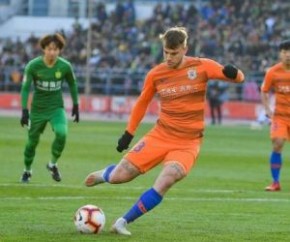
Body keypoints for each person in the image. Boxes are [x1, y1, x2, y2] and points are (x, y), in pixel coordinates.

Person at [84, 26, 244, 235]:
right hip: (161, 135)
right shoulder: (156, 74)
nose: (169, 57)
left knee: (168, 177)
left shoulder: (202, 66)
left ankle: (122, 222)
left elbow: (239, 77)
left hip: (188, 142)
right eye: (166, 52)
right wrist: (128, 133)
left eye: (174, 53)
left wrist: (234, 73)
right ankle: (106, 174)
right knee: (119, 177)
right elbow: (142, 103)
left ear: (185, 48)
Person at [20, 33, 79, 183]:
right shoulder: (33, 66)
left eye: (56, 49)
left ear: (59, 50)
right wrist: (24, 111)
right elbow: (25, 88)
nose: (52, 52)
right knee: (31, 143)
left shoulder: (65, 66)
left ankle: (52, 164)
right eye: (49, 49)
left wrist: (76, 104)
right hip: (37, 110)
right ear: (44, 49)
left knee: (62, 133)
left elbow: (72, 84)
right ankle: (27, 171)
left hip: (56, 108)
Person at [261, 39, 290, 191]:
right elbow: (264, 90)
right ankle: (276, 182)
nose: (288, 55)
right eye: (285, 52)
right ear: (280, 54)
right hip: (280, 117)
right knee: (278, 144)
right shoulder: (273, 72)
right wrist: (267, 110)